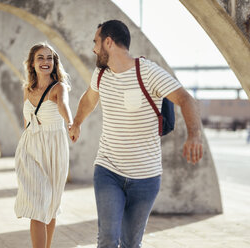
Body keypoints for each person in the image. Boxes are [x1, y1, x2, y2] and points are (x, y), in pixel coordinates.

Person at [69, 20, 203, 248]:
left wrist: (194, 135)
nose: (93, 48)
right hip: (108, 170)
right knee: (108, 240)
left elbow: (185, 98)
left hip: (146, 177)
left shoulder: (148, 72)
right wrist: (77, 123)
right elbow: (89, 100)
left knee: (131, 243)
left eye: (96, 42)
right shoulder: (100, 75)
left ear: (108, 42)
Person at [14, 42, 73, 248]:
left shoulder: (59, 87)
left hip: (54, 149)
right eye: (40, 58)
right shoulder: (27, 89)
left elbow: (64, 106)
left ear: (55, 63)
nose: (45, 62)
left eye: (50, 58)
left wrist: (71, 123)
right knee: (39, 201)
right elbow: (26, 122)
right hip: (30, 148)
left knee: (51, 204)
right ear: (32, 63)